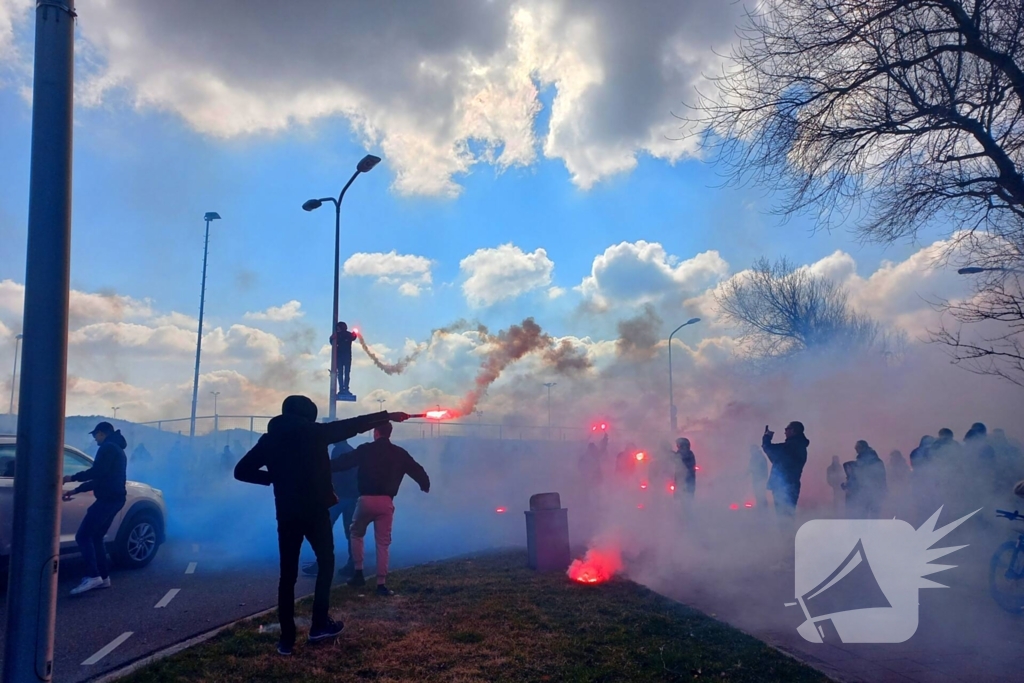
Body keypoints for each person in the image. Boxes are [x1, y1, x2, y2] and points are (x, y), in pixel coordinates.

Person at [234, 395, 406, 655]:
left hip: (287, 513)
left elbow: (241, 471)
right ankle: (318, 625)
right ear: (308, 414)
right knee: (327, 563)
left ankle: (286, 639)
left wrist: (275, 478)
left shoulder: (270, 439)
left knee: (287, 576)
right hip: (316, 510)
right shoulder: (315, 433)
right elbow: (354, 425)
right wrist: (387, 415)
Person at [331, 420, 430, 596]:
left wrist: (325, 467)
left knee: (355, 533)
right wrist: (424, 484)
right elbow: (416, 469)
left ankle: (358, 573)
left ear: (376, 432)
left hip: (365, 500)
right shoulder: (399, 453)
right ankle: (381, 584)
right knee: (383, 542)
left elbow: (344, 462)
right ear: (389, 433)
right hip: (386, 502)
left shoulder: (365, 449)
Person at [63, 422, 128, 595]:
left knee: (83, 536)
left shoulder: (107, 448)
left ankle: (93, 576)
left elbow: (97, 473)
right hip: (115, 499)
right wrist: (77, 490)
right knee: (97, 537)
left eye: (95, 435)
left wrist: (71, 477)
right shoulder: (118, 449)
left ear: (102, 433)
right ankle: (104, 578)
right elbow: (103, 478)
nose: (94, 439)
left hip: (107, 500)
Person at [303, 439, 359, 578]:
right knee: (350, 532)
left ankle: (322, 563)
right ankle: (352, 565)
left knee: (324, 529)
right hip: (352, 496)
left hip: (339, 497)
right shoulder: (350, 449)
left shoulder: (338, 450)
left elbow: (333, 473)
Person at [762, 421, 809, 517]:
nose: (785, 432)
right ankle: (789, 532)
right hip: (790, 484)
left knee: (784, 516)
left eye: (786, 429)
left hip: (784, 486)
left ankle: (787, 532)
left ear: (793, 431)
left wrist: (766, 438)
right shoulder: (798, 445)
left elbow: (771, 451)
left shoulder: (792, 446)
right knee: (787, 516)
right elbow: (777, 460)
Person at [842, 441, 887, 518]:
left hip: (865, 494)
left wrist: (848, 485)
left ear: (862, 448)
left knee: (863, 517)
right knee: (874, 517)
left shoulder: (862, 462)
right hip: (876, 493)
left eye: (857, 449)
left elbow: (858, 478)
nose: (856, 451)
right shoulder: (877, 461)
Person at [330, 321, 358, 397]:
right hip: (346, 357)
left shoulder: (338, 335)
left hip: (341, 357)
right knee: (346, 373)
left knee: (341, 373)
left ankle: (342, 389)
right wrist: (355, 333)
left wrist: (331, 338)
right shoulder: (347, 335)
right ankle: (345, 389)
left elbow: (332, 342)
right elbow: (354, 337)